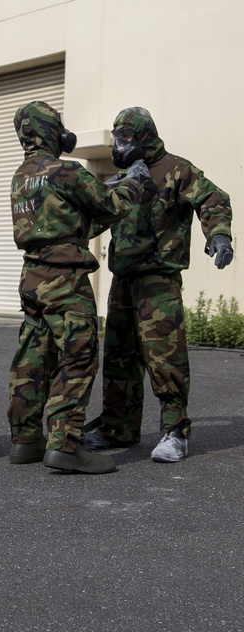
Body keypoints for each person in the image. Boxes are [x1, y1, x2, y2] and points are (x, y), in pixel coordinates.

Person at [7, 101, 155, 474]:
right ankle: (66, 444)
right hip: (66, 282)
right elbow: (109, 206)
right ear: (49, 131)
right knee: (78, 358)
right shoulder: (66, 171)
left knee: (33, 358)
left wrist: (106, 187)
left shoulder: (22, 176)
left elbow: (70, 217)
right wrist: (135, 178)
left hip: (32, 279)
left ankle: (26, 440)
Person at [86, 107, 234, 463]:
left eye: (126, 137)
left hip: (158, 279)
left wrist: (220, 235)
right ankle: (117, 428)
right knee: (120, 357)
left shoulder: (177, 169)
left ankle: (175, 431)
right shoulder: (125, 176)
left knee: (164, 355)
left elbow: (213, 200)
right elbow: (98, 215)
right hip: (123, 278)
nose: (120, 145)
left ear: (144, 136)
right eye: (116, 138)